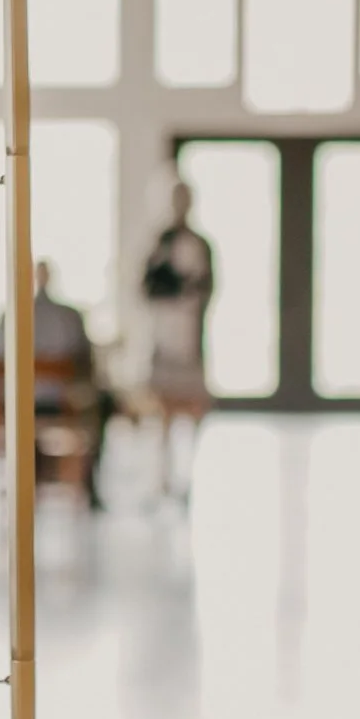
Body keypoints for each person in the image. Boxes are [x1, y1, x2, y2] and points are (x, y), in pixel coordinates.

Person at [0, 259, 110, 505]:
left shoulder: (12, 314)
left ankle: (36, 478)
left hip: (21, 403)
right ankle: (88, 485)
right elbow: (84, 362)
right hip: (58, 403)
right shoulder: (68, 317)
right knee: (100, 405)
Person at [141, 178, 216, 498]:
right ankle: (163, 474)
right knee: (164, 410)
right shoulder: (160, 242)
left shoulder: (200, 244)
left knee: (194, 407)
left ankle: (190, 474)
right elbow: (146, 286)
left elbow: (207, 288)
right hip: (164, 336)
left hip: (190, 337)